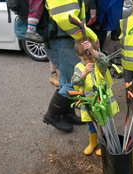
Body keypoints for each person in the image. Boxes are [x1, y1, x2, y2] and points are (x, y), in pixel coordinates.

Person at [42, 0, 99, 133]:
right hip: (61, 39)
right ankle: (52, 116)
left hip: (62, 38)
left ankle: (67, 114)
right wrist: (91, 36)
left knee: (65, 79)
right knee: (72, 82)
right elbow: (65, 19)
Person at [71, 38, 119, 156]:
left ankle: (104, 143)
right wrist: (84, 74)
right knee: (91, 124)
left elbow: (104, 60)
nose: (88, 61)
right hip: (89, 104)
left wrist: (92, 51)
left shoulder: (99, 64)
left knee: (104, 123)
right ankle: (92, 142)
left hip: (102, 102)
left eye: (90, 58)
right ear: (78, 56)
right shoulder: (78, 67)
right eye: (84, 59)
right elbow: (75, 81)